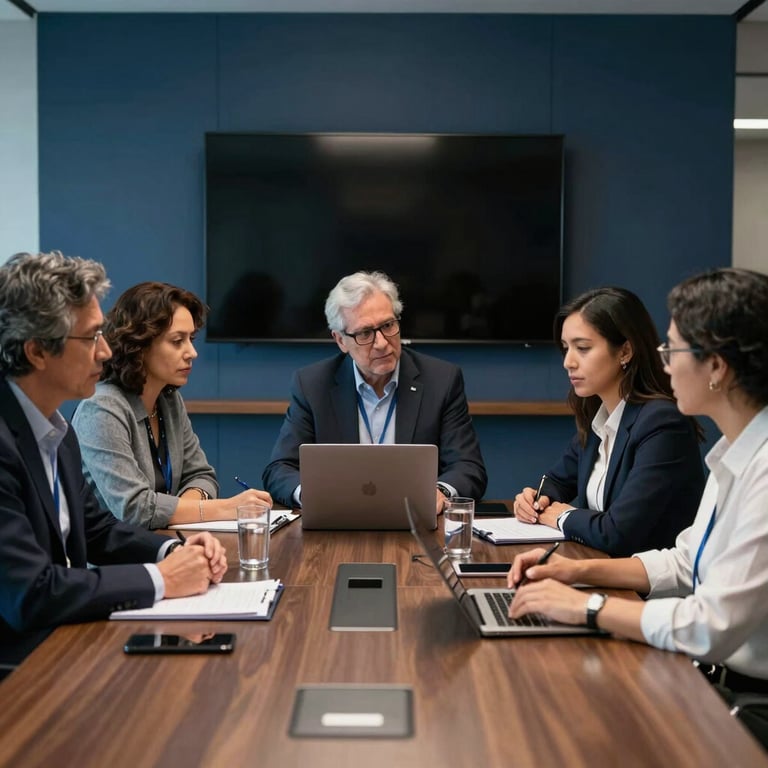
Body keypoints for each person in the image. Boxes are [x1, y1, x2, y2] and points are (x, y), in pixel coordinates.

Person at [508, 268, 768, 745]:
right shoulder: (734, 452)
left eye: (674, 349)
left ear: (717, 366)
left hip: (747, 707)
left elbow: (711, 626)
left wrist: (587, 606)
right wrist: (572, 574)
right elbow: (683, 561)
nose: (664, 363)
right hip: (712, 677)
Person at [0, 252, 227, 668]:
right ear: (36, 351)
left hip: (69, 638)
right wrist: (162, 579)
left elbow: (98, 529)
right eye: (91, 338)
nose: (106, 352)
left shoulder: (56, 431)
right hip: (22, 668)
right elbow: (29, 593)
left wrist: (171, 551)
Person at [262, 270, 487, 513]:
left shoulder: (441, 380)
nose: (381, 343)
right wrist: (315, 495)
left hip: (417, 523)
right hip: (340, 523)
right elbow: (279, 468)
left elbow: (468, 467)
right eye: (365, 333)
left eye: (388, 325)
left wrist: (440, 493)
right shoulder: (313, 385)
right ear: (340, 341)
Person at [513, 287, 705, 556]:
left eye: (582, 348)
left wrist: (562, 516)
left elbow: (618, 533)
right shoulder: (600, 415)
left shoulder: (662, 423)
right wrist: (536, 499)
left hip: (649, 590)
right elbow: (556, 481)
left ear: (625, 351)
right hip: (600, 570)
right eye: (566, 348)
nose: (568, 362)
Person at [72, 282, 272, 529]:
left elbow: (202, 475)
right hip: (119, 562)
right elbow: (134, 510)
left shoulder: (168, 400)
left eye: (191, 339)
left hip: (165, 545)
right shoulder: (102, 409)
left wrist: (182, 513)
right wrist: (224, 508)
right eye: (177, 341)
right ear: (139, 345)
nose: (192, 352)